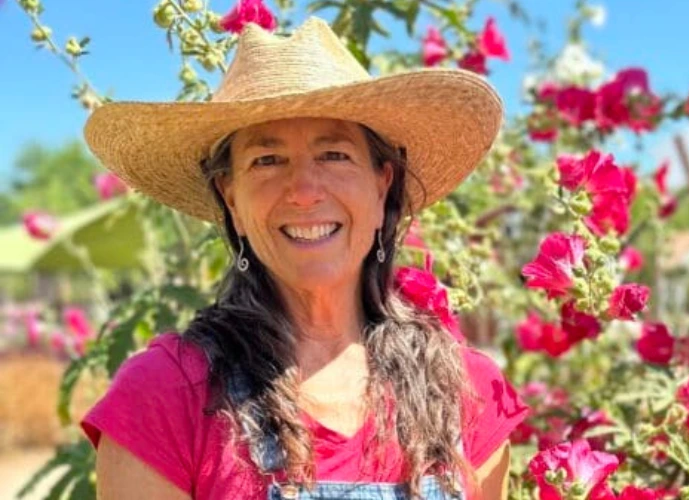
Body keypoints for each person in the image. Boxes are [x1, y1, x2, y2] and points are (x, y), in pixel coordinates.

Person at [79, 17, 529, 500]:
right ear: (231, 199)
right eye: (266, 161)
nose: (303, 191)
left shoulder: (467, 395)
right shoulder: (163, 396)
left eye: (334, 154)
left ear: (382, 187)